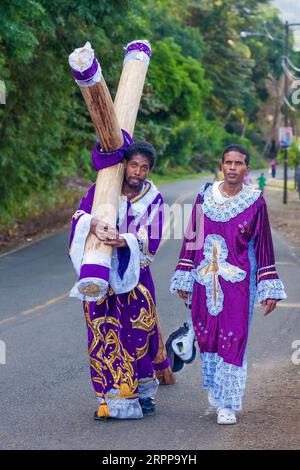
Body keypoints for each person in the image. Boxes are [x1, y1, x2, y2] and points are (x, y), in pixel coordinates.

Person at [170, 144, 286, 425]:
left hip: (239, 284)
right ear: (221, 165)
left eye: (239, 163)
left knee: (234, 338)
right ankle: (216, 392)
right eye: (228, 162)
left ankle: (227, 404)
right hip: (203, 281)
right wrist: (185, 271)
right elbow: (191, 237)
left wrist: (268, 286)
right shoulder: (204, 197)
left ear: (246, 168)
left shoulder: (255, 201)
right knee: (208, 337)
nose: (233, 167)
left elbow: (264, 247)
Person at [69, 141, 165, 420]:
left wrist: (124, 240)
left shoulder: (153, 199)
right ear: (124, 165)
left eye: (144, 167)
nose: (138, 172)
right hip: (100, 276)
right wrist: (93, 223)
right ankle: (108, 398)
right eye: (134, 165)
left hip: (135, 278)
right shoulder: (101, 189)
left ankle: (143, 395)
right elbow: (79, 215)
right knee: (101, 336)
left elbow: (153, 239)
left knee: (136, 336)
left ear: (149, 171)